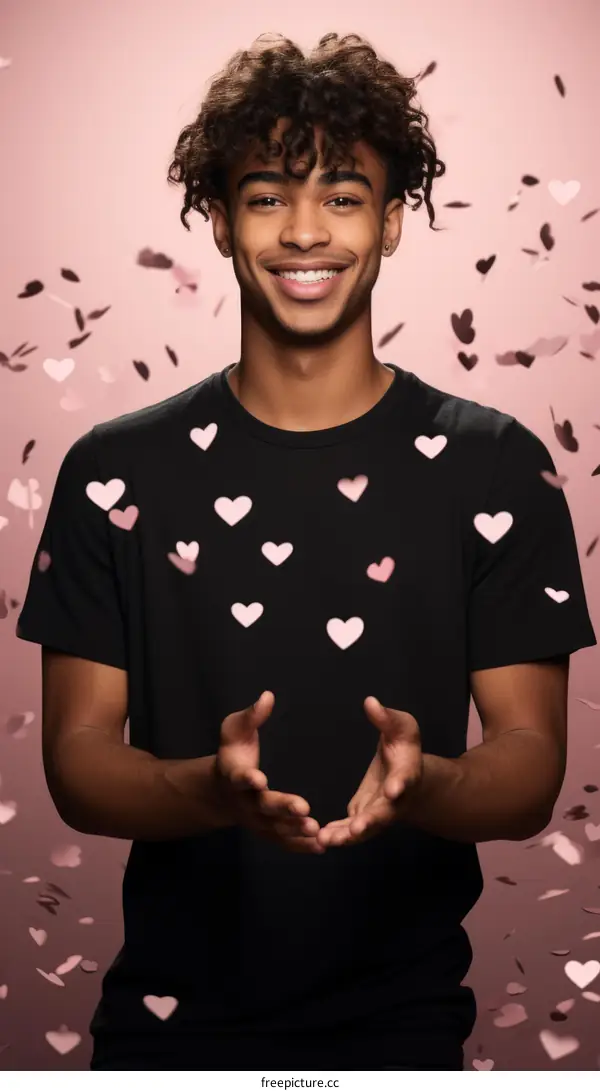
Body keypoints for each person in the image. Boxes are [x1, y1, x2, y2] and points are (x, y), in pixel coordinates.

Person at [16, 31, 596, 1074]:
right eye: (267, 195)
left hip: (408, 1033)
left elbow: (530, 765)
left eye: (341, 194)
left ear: (392, 220)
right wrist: (208, 790)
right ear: (221, 219)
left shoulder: (497, 466)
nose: (303, 230)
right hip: (162, 1041)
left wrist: (427, 784)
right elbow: (77, 760)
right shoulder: (114, 468)